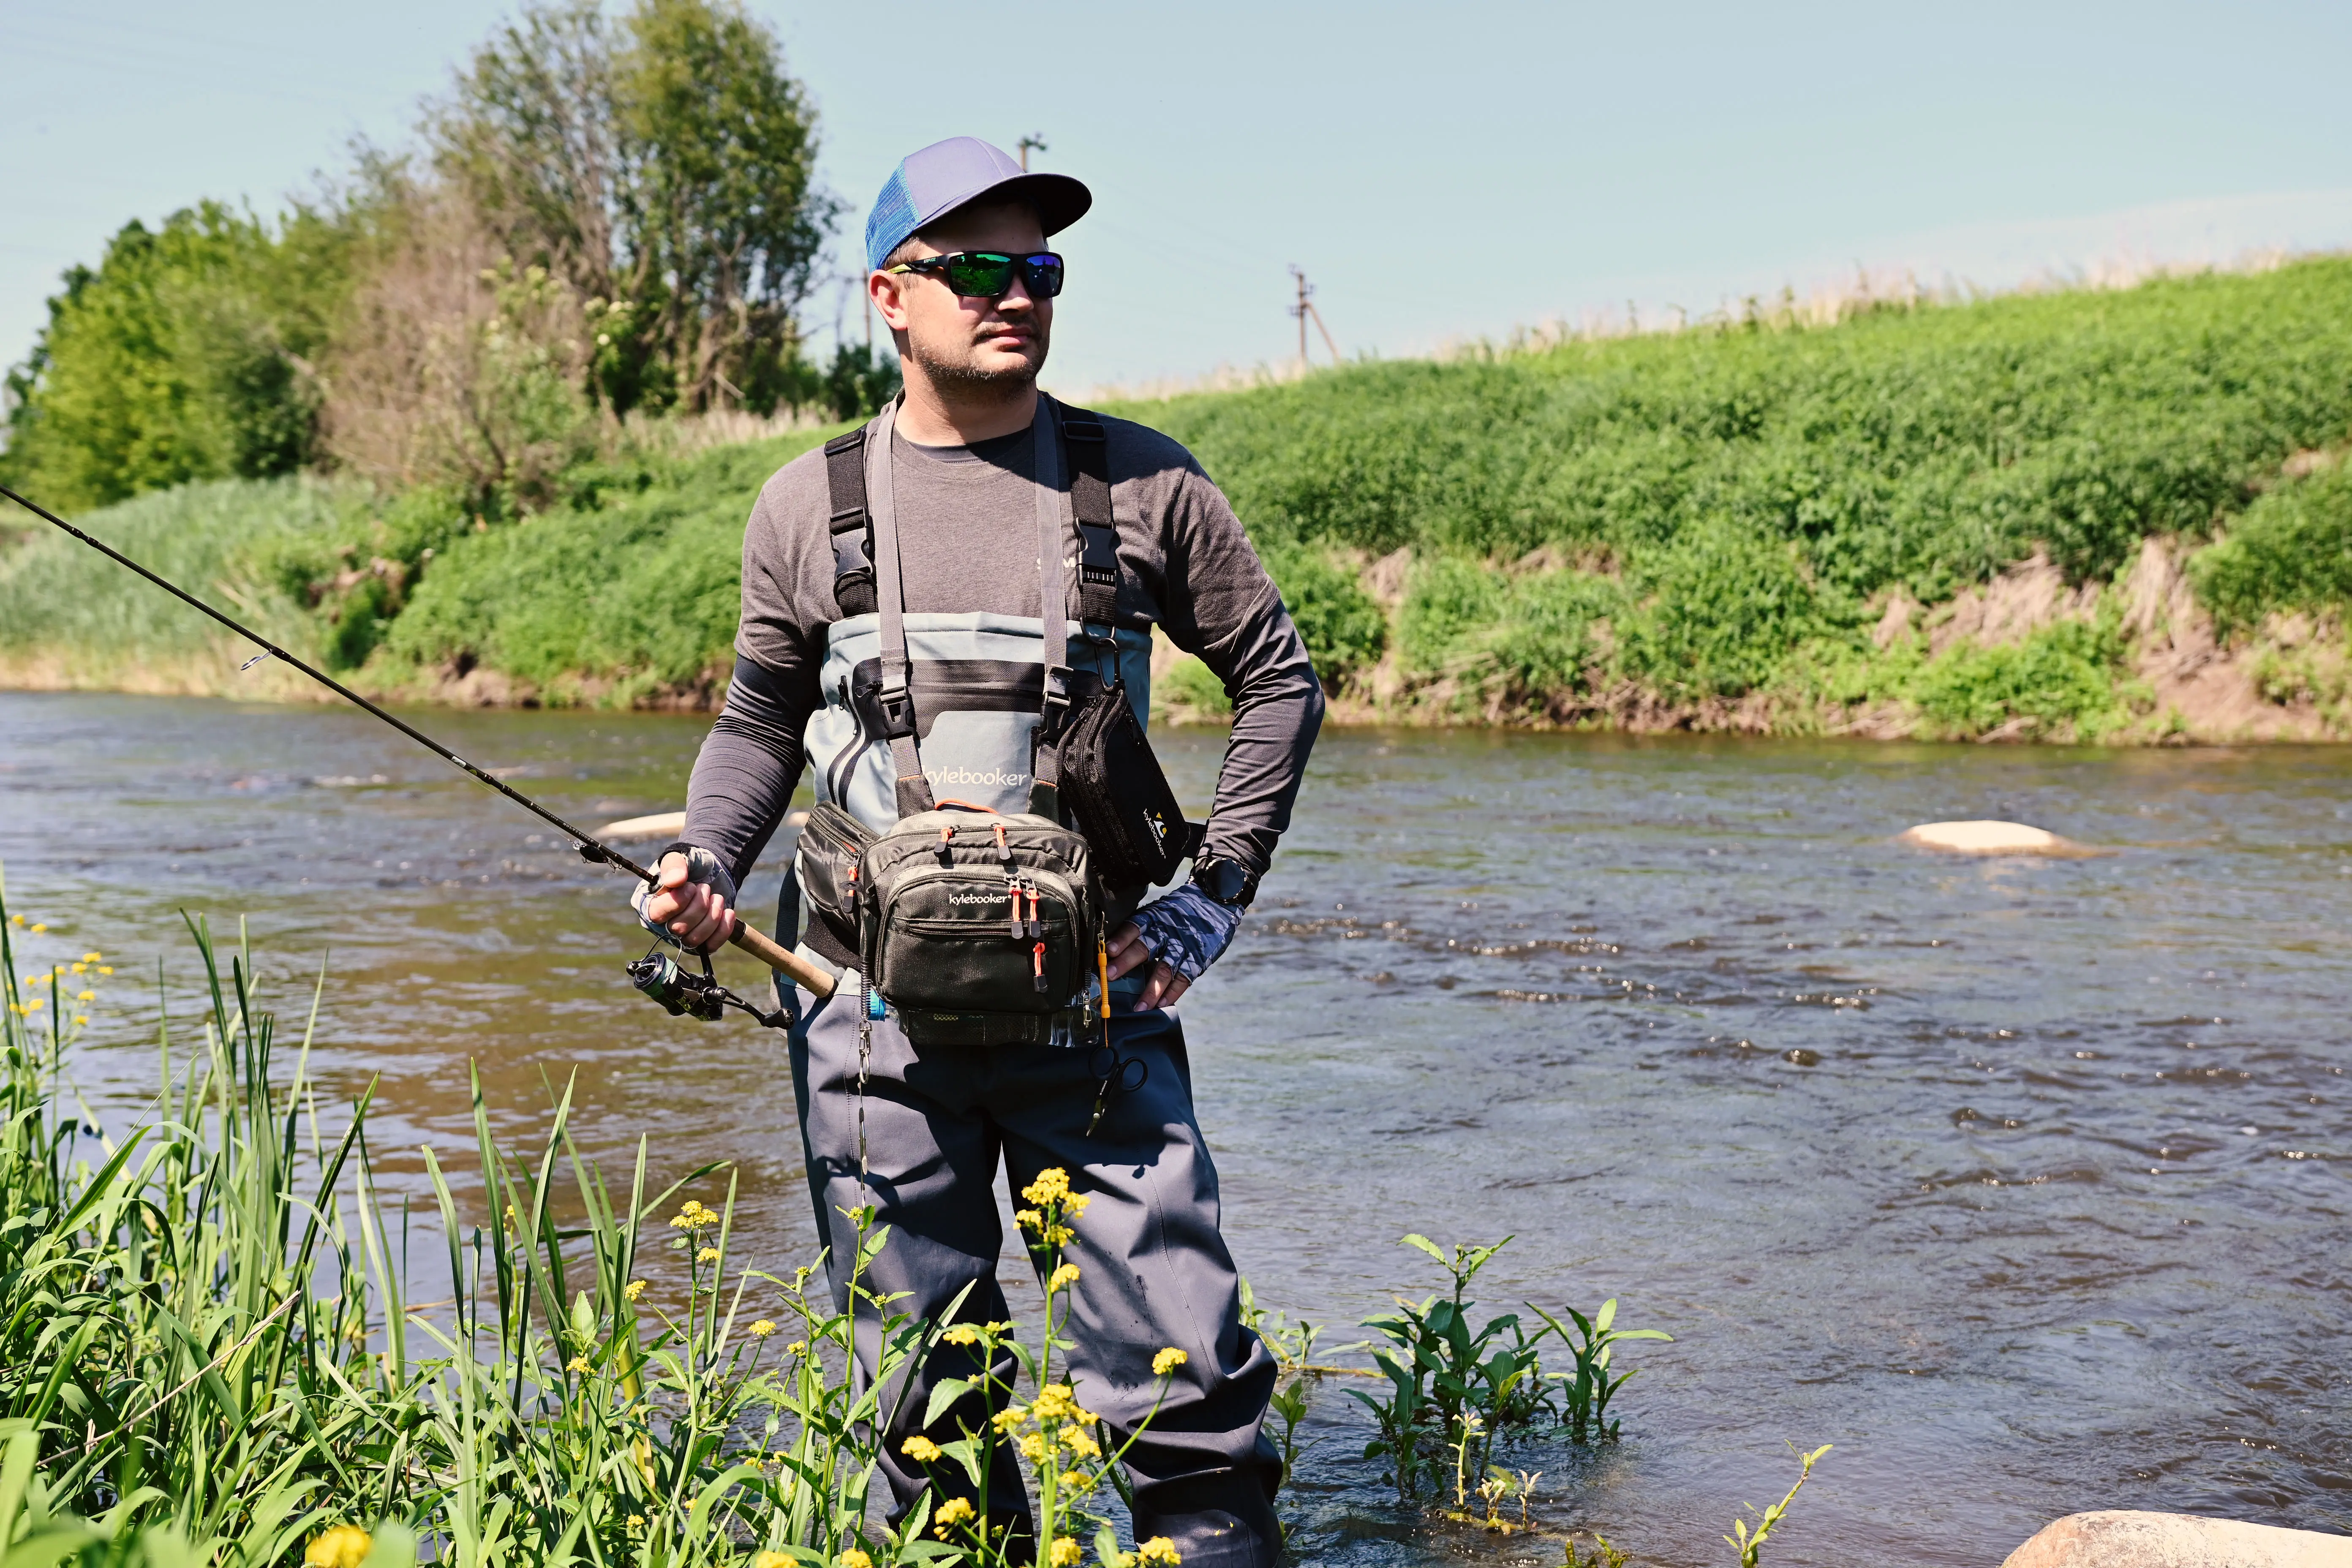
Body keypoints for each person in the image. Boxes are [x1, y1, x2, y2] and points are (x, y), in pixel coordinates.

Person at [638, 136, 1322, 1568]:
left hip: (1099, 1004)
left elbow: (1281, 684)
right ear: (891, 297)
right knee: (925, 1415)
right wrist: (706, 858)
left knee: (1189, 1392)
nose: (1016, 294)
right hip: (861, 1010)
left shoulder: (1147, 487)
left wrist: (1208, 906)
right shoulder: (802, 505)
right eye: (980, 269)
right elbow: (758, 722)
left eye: (1042, 270)